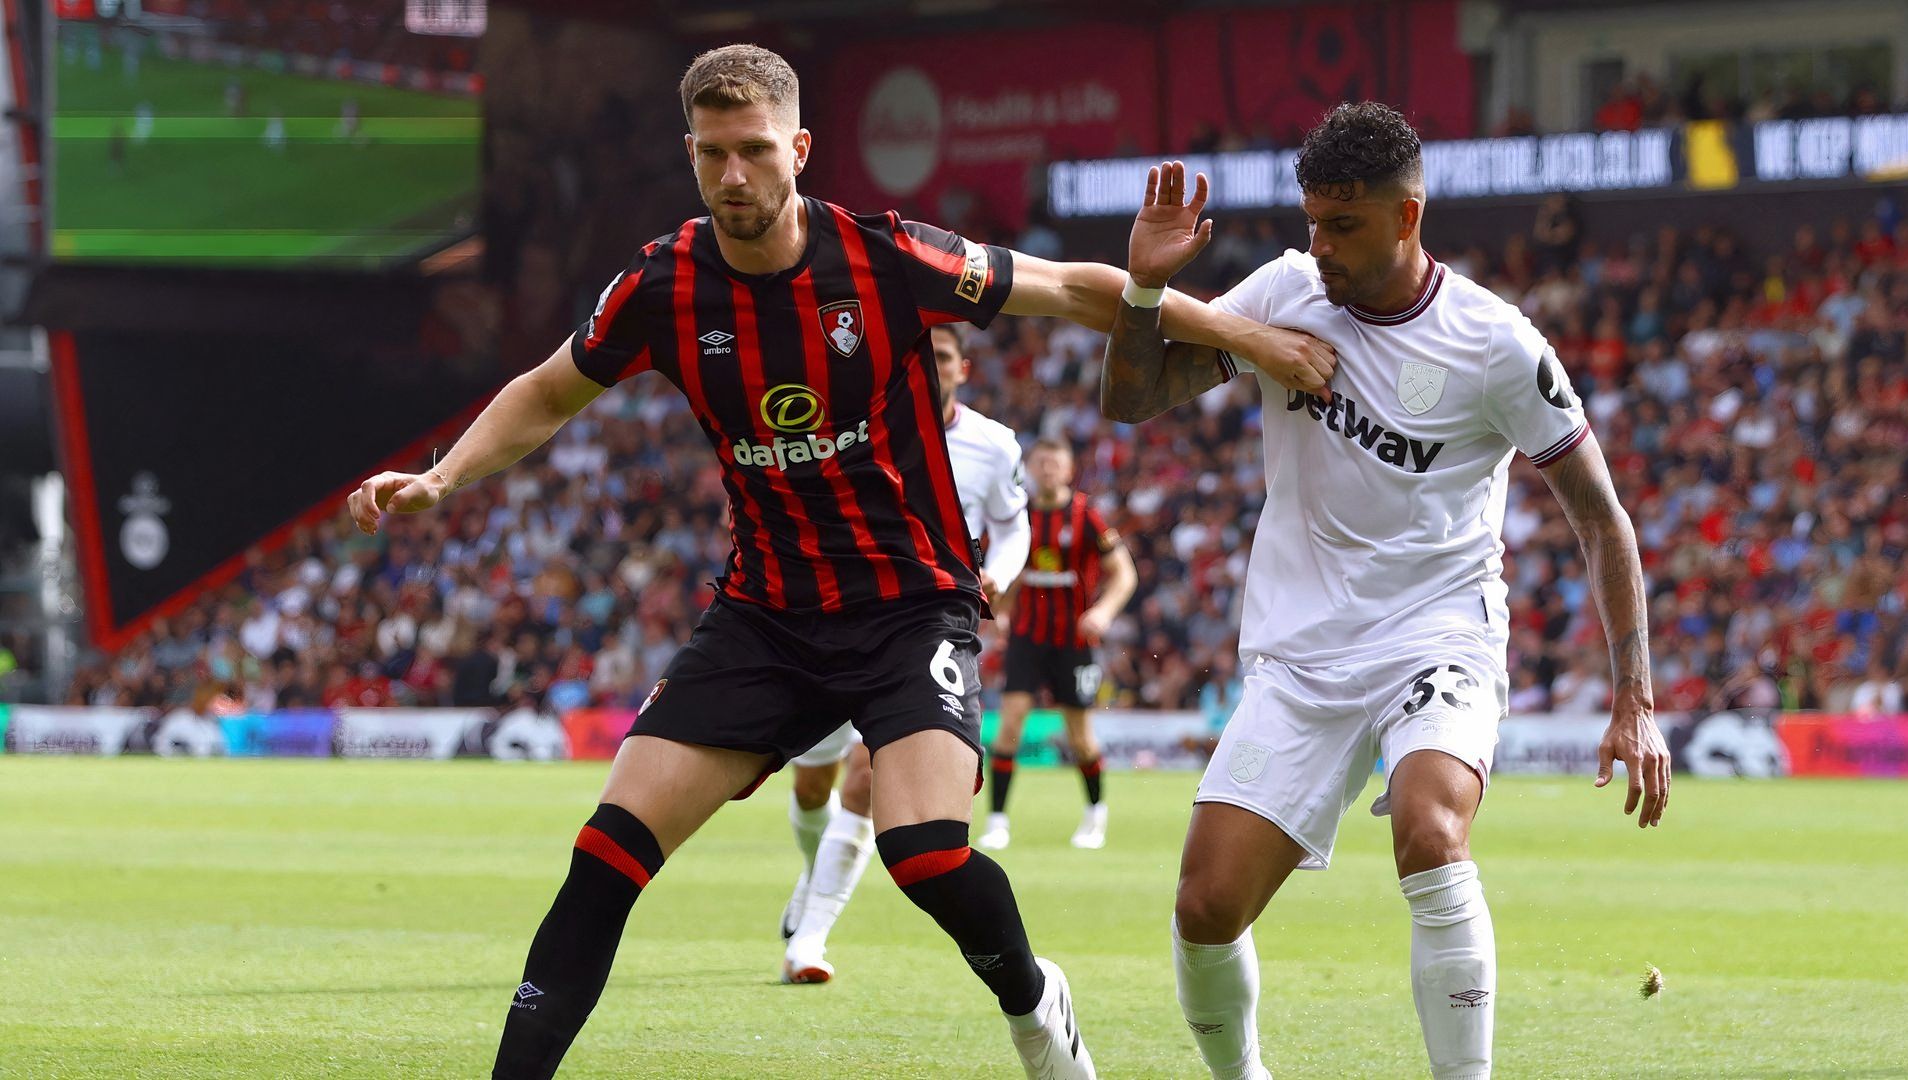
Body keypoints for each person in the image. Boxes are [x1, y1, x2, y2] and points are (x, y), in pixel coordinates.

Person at [347, 44, 1332, 1080]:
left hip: (908, 611)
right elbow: (549, 391)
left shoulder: (886, 258)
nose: (735, 176)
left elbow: (1072, 289)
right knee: (604, 858)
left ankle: (1037, 1000)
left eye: (756, 151)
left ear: (800, 150)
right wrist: (443, 477)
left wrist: (1246, 338)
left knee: (927, 854)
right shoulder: (663, 283)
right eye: (713, 154)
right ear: (690, 155)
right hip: (765, 615)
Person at [1101, 103, 1670, 1080]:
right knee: (1205, 908)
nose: (1318, 246)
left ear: (1408, 218)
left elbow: (1601, 516)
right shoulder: (1284, 291)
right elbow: (1133, 399)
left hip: (1437, 632)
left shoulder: (1496, 344)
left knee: (1430, 832)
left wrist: (1636, 699)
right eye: (1313, 222)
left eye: (1344, 225)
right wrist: (1147, 291)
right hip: (1302, 650)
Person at [778, 321, 1031, 984]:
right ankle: (813, 874)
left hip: (921, 631)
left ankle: (809, 940)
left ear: (962, 370)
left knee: (867, 778)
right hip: (833, 623)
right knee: (813, 786)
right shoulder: (857, 429)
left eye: (943, 356)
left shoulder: (993, 445)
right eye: (919, 356)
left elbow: (1013, 524)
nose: (931, 366)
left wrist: (998, 574)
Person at [978, 438, 1137, 851]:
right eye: (1041, 464)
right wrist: (1004, 611)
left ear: (1069, 471)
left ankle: (1095, 815)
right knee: (1009, 727)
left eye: (1056, 464)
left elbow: (1124, 574)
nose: (1048, 471)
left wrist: (1103, 612)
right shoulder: (1018, 517)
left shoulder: (1087, 516)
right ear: (1030, 469)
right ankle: (997, 822)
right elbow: (1010, 573)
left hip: (1073, 641)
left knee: (1080, 737)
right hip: (1028, 638)